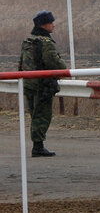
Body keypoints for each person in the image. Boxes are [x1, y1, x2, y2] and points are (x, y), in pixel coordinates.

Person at [19, 10, 67, 157]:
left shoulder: (29, 40)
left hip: (28, 83)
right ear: (44, 25)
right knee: (42, 115)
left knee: (34, 114)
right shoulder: (46, 43)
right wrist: (64, 67)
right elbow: (54, 62)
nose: (53, 25)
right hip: (42, 85)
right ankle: (38, 147)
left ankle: (37, 145)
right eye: (51, 23)